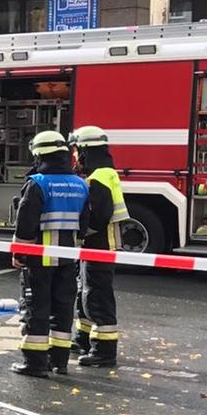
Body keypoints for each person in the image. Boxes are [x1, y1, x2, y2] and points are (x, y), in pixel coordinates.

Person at [11, 130, 89, 378]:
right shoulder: (81, 185)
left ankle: (35, 363)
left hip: (39, 260)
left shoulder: (37, 183)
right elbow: (86, 225)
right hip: (68, 260)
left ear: (39, 155)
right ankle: (60, 361)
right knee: (64, 308)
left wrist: (19, 254)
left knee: (36, 308)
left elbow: (25, 224)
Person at [70, 126, 128, 368]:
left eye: (76, 151)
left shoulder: (98, 177)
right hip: (96, 246)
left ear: (85, 150)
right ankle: (83, 339)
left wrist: (78, 232)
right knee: (84, 291)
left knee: (97, 296)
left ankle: (104, 351)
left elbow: (99, 216)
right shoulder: (104, 172)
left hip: (100, 246)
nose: (74, 156)